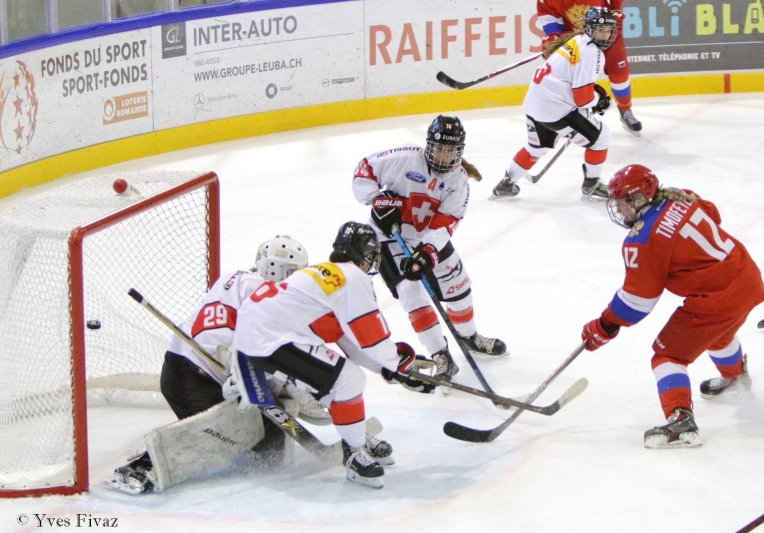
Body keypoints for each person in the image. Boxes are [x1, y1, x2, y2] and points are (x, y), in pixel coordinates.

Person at [106, 235, 325, 494]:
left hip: (183, 368)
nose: (294, 279)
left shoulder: (236, 278)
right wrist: (253, 374)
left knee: (270, 439)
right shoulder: (263, 294)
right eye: (290, 272)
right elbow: (238, 344)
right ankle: (141, 467)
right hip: (196, 375)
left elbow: (247, 345)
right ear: (272, 268)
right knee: (221, 436)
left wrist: (275, 385)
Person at [230, 222, 435, 489]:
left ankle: (354, 435)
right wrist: (399, 365)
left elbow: (348, 340)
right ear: (367, 256)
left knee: (337, 380)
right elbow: (372, 337)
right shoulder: (353, 277)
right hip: (270, 339)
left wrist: (389, 371)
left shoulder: (329, 275)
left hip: (259, 336)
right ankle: (354, 454)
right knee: (348, 380)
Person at [580, 164, 764, 449]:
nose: (619, 210)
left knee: (667, 355)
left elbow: (638, 300)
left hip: (718, 296)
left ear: (640, 199)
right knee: (718, 335)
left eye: (622, 203)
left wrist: (605, 324)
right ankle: (736, 377)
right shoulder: (680, 196)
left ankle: (681, 422)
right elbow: (712, 214)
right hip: (746, 277)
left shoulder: (642, 238)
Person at [352, 115, 508, 386]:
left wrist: (426, 253)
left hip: (427, 237)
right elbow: (364, 169)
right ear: (428, 145)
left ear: (460, 151)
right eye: (439, 148)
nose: (444, 155)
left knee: (459, 289)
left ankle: (469, 336)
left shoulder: (458, 182)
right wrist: (377, 200)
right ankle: (441, 354)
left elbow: (445, 224)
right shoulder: (404, 158)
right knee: (411, 293)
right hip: (388, 237)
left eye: (451, 150)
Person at [492, 6, 615, 202]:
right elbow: (582, 99)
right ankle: (591, 184)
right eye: (601, 29)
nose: (606, 34)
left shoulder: (575, 40)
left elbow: (570, 80)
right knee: (602, 137)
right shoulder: (592, 52)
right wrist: (600, 101)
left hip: (534, 103)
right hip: (556, 109)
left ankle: (506, 183)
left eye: (609, 29)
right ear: (590, 29)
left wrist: (592, 97)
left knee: (536, 148)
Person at [537, 0, 642, 136]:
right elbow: (549, 14)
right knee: (568, 74)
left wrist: (616, 9)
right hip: (574, 36)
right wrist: (553, 35)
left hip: (604, 29)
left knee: (618, 71)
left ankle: (625, 110)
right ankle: (567, 115)